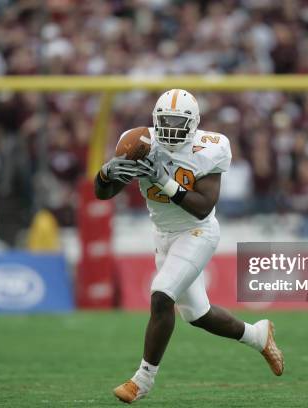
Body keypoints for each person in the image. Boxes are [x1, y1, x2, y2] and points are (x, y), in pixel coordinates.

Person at [94, 89, 284, 404]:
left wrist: (162, 179)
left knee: (161, 295)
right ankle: (258, 336)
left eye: (176, 122)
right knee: (198, 315)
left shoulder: (211, 147)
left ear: (193, 123)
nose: (169, 128)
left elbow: (203, 206)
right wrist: (105, 174)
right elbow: (104, 193)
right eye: (164, 121)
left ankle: (142, 380)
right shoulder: (140, 141)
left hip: (197, 231)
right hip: (164, 235)